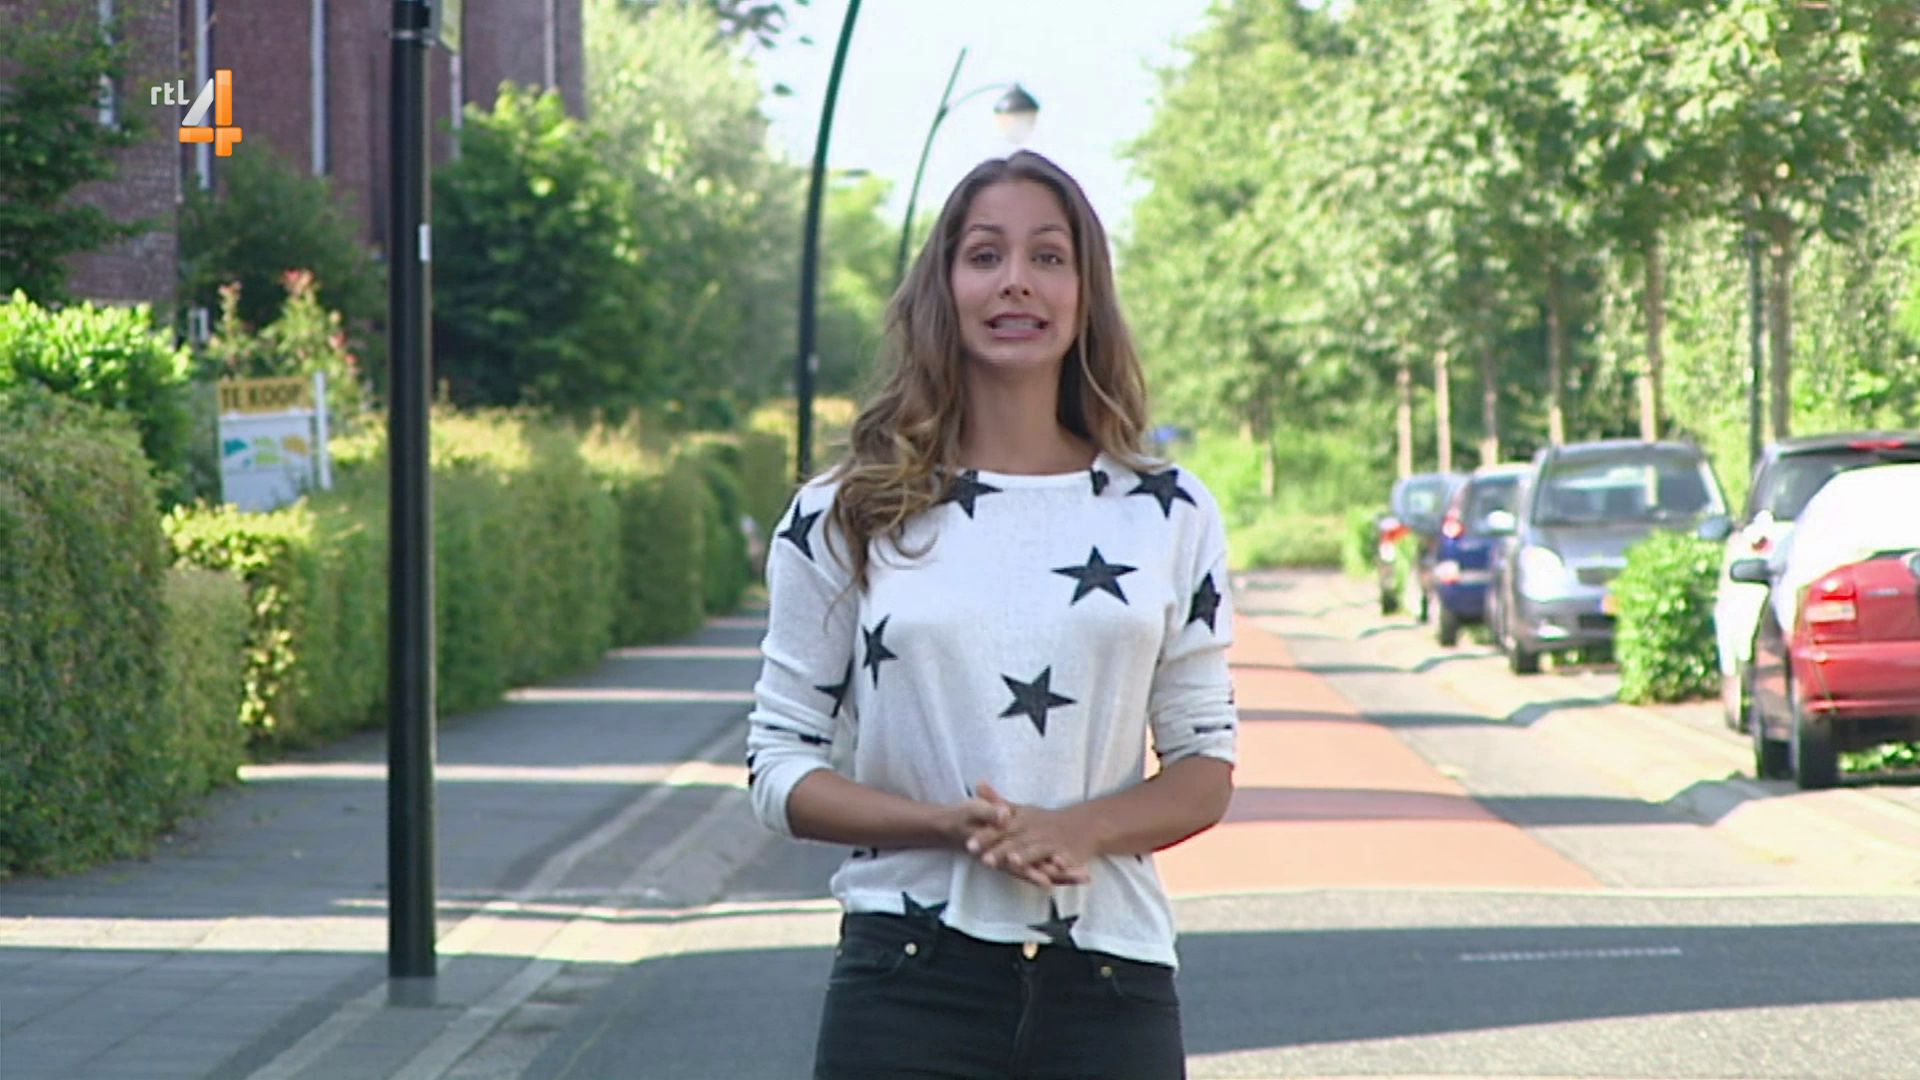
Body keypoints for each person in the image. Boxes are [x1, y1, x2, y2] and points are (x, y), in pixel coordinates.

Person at [747, 149, 1238, 1080]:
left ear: (1086, 292)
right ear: (944, 287)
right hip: (904, 985)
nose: (1016, 281)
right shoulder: (844, 511)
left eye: (1048, 256)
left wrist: (1078, 830)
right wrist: (945, 825)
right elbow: (777, 767)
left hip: (1111, 984)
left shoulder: (1169, 510)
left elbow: (1204, 770)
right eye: (985, 255)